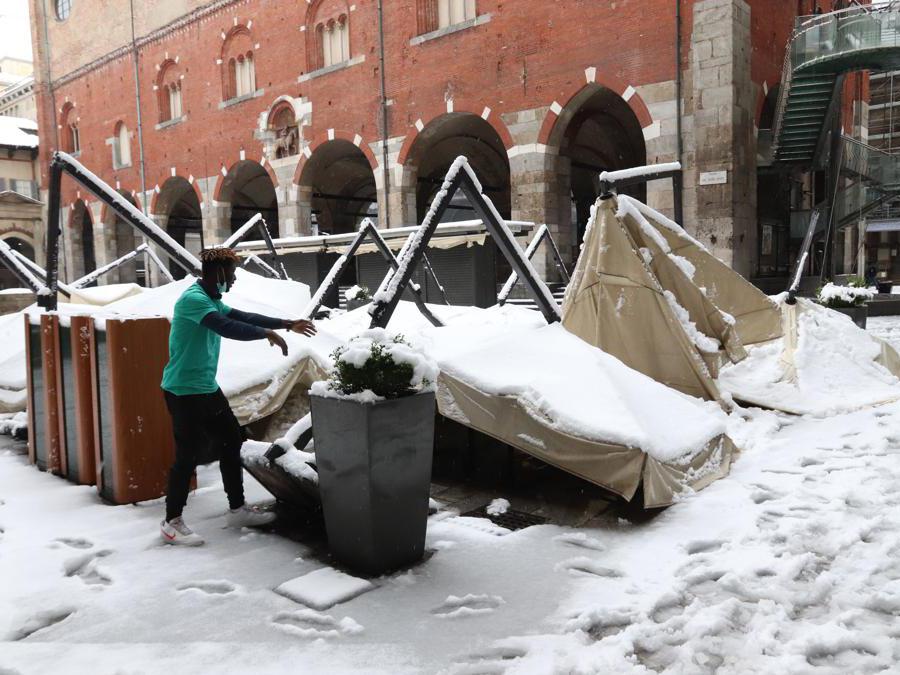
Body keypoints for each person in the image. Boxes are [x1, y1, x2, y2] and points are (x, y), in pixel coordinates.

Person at [159, 247, 316, 546]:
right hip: (183, 391)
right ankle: (171, 521)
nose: (233, 280)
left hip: (206, 387)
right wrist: (265, 334)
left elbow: (242, 315)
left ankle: (237, 509)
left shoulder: (210, 300)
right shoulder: (194, 300)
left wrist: (286, 324)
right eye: (231, 274)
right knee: (187, 456)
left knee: (232, 441)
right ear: (218, 273)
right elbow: (226, 327)